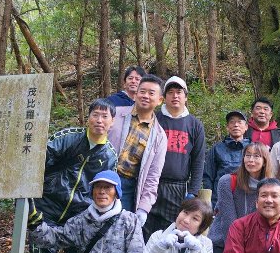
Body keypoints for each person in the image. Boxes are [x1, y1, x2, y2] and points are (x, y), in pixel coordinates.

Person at [31, 99, 120, 253]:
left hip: (79, 214)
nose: (99, 120)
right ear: (88, 118)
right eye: (95, 115)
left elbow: (107, 189)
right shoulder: (69, 137)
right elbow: (38, 161)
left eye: (105, 116)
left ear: (112, 121)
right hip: (47, 203)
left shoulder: (110, 155)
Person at [145, 76, 206, 238]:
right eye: (170, 92)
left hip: (178, 187)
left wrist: (193, 190)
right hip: (152, 183)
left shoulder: (194, 125)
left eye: (179, 92)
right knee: (146, 226)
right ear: (164, 97)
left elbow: (198, 160)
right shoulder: (154, 119)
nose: (175, 96)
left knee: (172, 231)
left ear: (185, 97)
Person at [107, 75, 167, 220]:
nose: (145, 96)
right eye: (142, 91)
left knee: (117, 232)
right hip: (101, 177)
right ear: (135, 94)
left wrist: (143, 208)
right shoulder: (114, 114)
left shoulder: (159, 136)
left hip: (127, 188)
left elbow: (153, 176)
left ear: (159, 100)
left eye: (151, 93)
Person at [210, 141, 272, 253]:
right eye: (247, 155)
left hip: (255, 247)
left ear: (265, 161)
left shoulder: (270, 188)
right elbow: (229, 222)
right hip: (224, 244)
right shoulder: (227, 181)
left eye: (256, 156)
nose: (251, 160)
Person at [203, 110, 250, 201]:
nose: (236, 125)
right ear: (227, 127)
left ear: (246, 127)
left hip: (246, 198)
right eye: (232, 122)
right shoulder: (217, 148)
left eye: (239, 122)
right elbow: (208, 176)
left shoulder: (253, 148)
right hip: (220, 199)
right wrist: (210, 201)